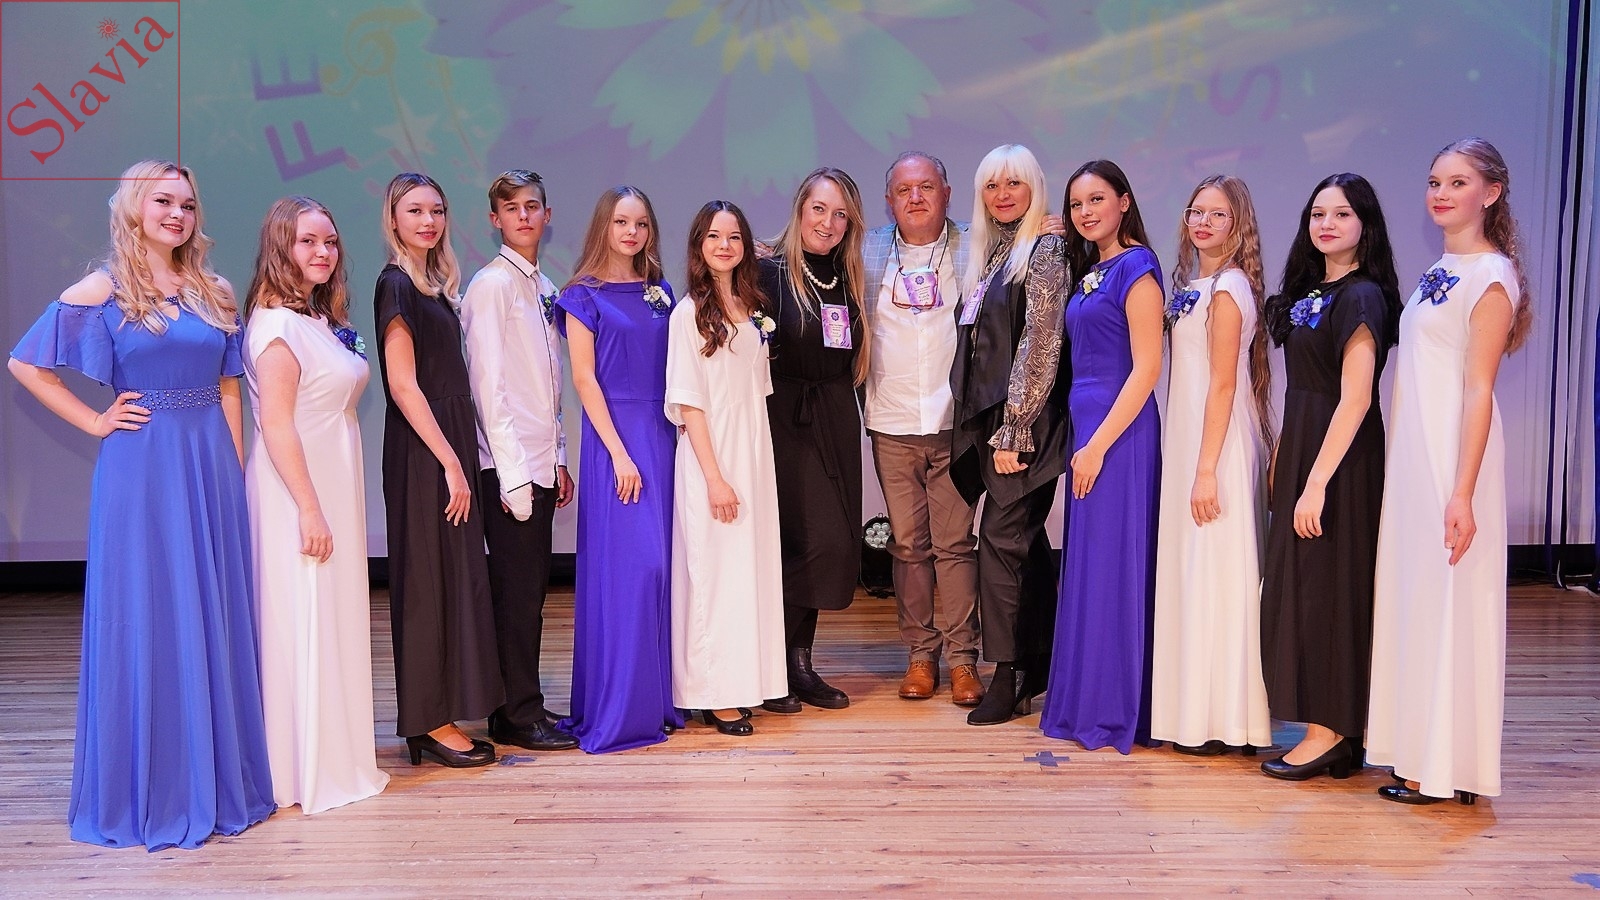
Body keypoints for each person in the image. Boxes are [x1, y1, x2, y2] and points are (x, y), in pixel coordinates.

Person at [8, 159, 274, 849]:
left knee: (210, 613)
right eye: (163, 201)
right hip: (142, 468)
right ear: (133, 207)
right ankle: (150, 789)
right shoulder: (104, 287)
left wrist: (234, 471)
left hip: (208, 465)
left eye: (187, 204)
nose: (177, 214)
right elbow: (24, 363)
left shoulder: (214, 290)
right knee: (148, 613)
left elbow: (229, 390)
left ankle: (215, 780)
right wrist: (95, 421)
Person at [1366, 138, 1529, 806]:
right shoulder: (1443, 268)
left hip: (1452, 460)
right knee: (1421, 600)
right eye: (1435, 181)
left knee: (1450, 601)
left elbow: (1478, 390)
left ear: (1491, 192)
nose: (1441, 193)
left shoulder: (1491, 275)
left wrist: (1462, 492)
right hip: (1416, 457)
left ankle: (1447, 767)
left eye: (1458, 182)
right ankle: (1421, 755)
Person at [244, 196, 390, 812]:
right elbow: (277, 424)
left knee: (330, 614)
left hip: (332, 478)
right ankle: (298, 769)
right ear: (281, 246)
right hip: (296, 490)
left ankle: (335, 754)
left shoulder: (316, 319)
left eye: (329, 241)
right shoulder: (276, 327)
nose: (323, 252)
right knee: (302, 614)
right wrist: (308, 507)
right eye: (308, 241)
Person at [1258, 173, 1402, 782]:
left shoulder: (1363, 296)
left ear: (1365, 225)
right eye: (1318, 213)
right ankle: (1332, 731)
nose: (1326, 224)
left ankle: (1332, 732)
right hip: (1306, 448)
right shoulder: (1313, 290)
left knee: (1329, 590)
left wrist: (1316, 481)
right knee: (1303, 587)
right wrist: (1284, 457)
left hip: (1340, 460)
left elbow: (1356, 398)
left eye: (1342, 214)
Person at [374, 172, 504, 768]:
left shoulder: (432, 287)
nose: (428, 221)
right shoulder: (395, 284)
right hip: (424, 450)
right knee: (427, 583)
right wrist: (451, 461)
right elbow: (403, 384)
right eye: (414, 210)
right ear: (393, 218)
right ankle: (427, 721)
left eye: (436, 210)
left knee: (453, 577)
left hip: (446, 441)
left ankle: (441, 711)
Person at [1035, 160, 1163, 754]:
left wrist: (1098, 446)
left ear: (1125, 202)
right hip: (1088, 428)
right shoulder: (1093, 269)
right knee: (1090, 565)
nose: (1086, 212)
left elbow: (1147, 369)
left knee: (1114, 565)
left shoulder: (1137, 267)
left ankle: (1114, 710)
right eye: (1076, 204)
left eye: (1097, 200)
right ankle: (1087, 700)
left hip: (1118, 432)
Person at [1149, 175, 1274, 756]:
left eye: (1217, 214)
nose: (1202, 222)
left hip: (1214, 449)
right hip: (1189, 445)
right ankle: (1194, 713)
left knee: (1217, 574)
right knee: (1193, 573)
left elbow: (1223, 384)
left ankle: (1225, 718)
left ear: (1238, 224)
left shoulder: (1229, 289)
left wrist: (1205, 470)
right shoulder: (1192, 286)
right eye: (1195, 211)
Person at [555, 185, 683, 752]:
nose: (632, 233)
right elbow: (585, 380)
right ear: (603, 227)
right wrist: (619, 453)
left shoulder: (661, 292)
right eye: (621, 222)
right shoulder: (581, 296)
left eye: (641, 223)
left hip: (664, 436)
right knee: (635, 573)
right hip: (618, 444)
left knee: (665, 572)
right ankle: (621, 712)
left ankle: (658, 704)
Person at [949, 144, 1071, 726]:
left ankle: (1008, 673)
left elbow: (1041, 343)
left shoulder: (1045, 250)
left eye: (1014, 183)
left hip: (1025, 428)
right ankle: (1038, 658)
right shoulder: (995, 251)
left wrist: (1015, 428)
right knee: (1020, 543)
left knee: (1000, 542)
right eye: (992, 185)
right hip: (994, 423)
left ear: (1034, 188)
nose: (1002, 195)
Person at [459, 170, 579, 753]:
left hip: (538, 462)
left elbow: (547, 385)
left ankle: (523, 700)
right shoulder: (490, 286)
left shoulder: (544, 285)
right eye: (512, 208)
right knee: (515, 595)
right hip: (509, 470)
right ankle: (513, 714)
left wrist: (558, 457)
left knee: (530, 594)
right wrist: (512, 477)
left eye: (533, 206)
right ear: (495, 219)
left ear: (547, 214)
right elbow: (489, 388)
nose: (524, 216)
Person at [861, 151, 984, 707]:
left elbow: (1025, 244)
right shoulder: (865, 249)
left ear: (947, 193)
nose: (915, 197)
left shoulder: (976, 245)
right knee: (909, 546)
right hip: (891, 421)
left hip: (953, 423)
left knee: (955, 545)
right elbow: (804, 243)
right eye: (904, 189)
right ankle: (920, 655)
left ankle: (963, 659)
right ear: (889, 199)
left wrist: (1052, 228)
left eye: (927, 187)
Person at [666, 200, 787, 736]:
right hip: (711, 454)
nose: (724, 245)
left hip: (752, 452)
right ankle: (712, 693)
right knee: (713, 575)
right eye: (714, 236)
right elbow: (689, 403)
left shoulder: (752, 307)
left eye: (734, 236)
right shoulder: (688, 313)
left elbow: (755, 392)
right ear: (698, 244)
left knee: (747, 572)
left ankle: (746, 681)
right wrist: (714, 478)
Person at [759, 167, 871, 714]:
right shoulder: (765, 271)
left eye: (840, 214)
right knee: (802, 541)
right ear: (800, 209)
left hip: (834, 415)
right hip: (782, 419)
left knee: (833, 542)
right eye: (819, 209)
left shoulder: (848, 277)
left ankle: (797, 662)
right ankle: (773, 667)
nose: (828, 223)